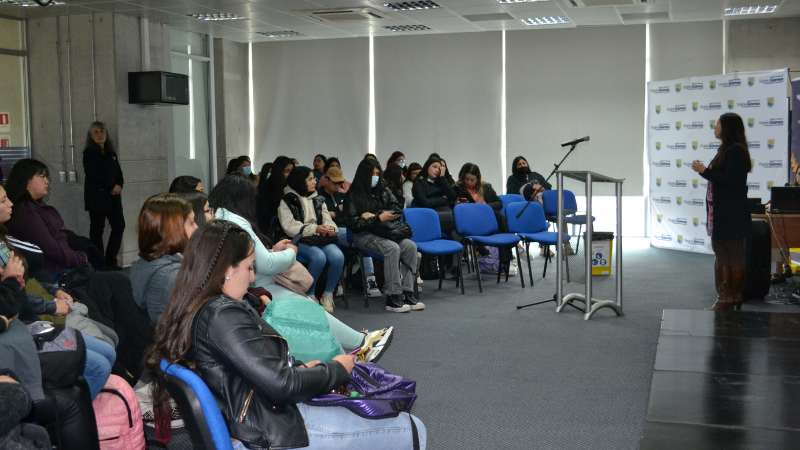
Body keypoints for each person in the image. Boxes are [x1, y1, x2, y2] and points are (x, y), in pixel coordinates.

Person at [144, 220, 425, 450]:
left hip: (255, 420)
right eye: (249, 267)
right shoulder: (221, 315)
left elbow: (258, 372)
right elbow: (282, 385)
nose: (253, 277)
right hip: (268, 431)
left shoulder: (195, 307)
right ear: (227, 269)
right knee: (411, 428)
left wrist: (307, 370)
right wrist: (337, 369)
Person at [211, 174, 392, 353]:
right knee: (308, 308)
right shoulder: (239, 221)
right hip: (257, 286)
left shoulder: (222, 217)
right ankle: (359, 344)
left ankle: (358, 344)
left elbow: (253, 257)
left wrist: (274, 250)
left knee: (318, 287)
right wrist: (291, 253)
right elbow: (266, 265)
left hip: (254, 283)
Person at [692, 113, 752, 311]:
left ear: (727, 128)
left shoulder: (736, 151)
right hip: (723, 210)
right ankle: (729, 296)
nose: (714, 127)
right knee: (723, 250)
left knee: (731, 250)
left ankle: (730, 296)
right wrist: (706, 171)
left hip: (730, 211)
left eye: (717, 123)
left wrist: (705, 171)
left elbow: (732, 182)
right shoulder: (726, 149)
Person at [345, 159, 423, 312]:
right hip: (363, 234)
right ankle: (393, 297)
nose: (375, 177)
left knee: (410, 246)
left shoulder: (384, 189)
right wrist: (378, 218)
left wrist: (375, 216)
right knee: (392, 248)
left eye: (377, 173)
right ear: (364, 175)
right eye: (372, 174)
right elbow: (354, 224)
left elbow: (397, 209)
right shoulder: (352, 195)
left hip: (384, 231)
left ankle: (408, 292)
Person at [5, 159, 109, 272]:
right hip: (55, 268)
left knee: (90, 250)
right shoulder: (27, 211)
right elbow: (49, 249)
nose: (47, 181)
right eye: (42, 176)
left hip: (62, 261)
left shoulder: (33, 205)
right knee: (111, 281)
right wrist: (80, 258)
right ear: (27, 181)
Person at [277, 166, 344, 313]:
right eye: (310, 179)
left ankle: (327, 294)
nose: (315, 181)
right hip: (298, 240)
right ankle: (309, 294)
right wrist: (314, 229)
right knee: (318, 257)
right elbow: (289, 227)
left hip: (319, 238)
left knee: (338, 256)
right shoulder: (287, 200)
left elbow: (327, 219)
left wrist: (330, 228)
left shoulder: (318, 199)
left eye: (314, 178)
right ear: (300, 181)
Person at [130, 194, 197, 325]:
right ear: (174, 231)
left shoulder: (151, 264)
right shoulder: (171, 277)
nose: (197, 227)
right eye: (191, 223)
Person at [318, 167, 381, 298]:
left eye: (340, 183)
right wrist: (338, 213)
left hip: (347, 228)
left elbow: (350, 215)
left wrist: (334, 213)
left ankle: (370, 279)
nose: (338, 186)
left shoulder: (343, 196)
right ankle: (368, 278)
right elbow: (322, 217)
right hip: (331, 231)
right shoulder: (318, 197)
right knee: (361, 237)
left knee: (363, 237)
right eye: (335, 183)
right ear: (326, 180)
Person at [82, 121, 125, 270]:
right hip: (97, 198)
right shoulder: (89, 154)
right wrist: (111, 186)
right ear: (90, 135)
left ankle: (111, 260)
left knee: (119, 226)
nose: (100, 135)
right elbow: (93, 175)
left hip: (114, 197)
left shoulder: (110, 152)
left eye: (102, 132)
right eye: (96, 132)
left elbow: (118, 172)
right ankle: (99, 264)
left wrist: (119, 185)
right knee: (97, 230)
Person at [507, 156, 554, 257]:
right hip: (522, 208)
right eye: (519, 164)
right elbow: (512, 192)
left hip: (539, 207)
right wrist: (531, 188)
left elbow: (548, 186)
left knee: (556, 211)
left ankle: (544, 246)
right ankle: (513, 247)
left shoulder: (536, 175)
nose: (522, 166)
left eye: (524, 163)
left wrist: (541, 189)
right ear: (515, 167)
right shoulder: (512, 179)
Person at [257, 156, 294, 233]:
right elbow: (265, 214)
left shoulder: (292, 186)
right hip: (273, 228)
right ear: (279, 171)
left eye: (292, 171)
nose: (290, 174)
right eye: (287, 171)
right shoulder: (267, 187)